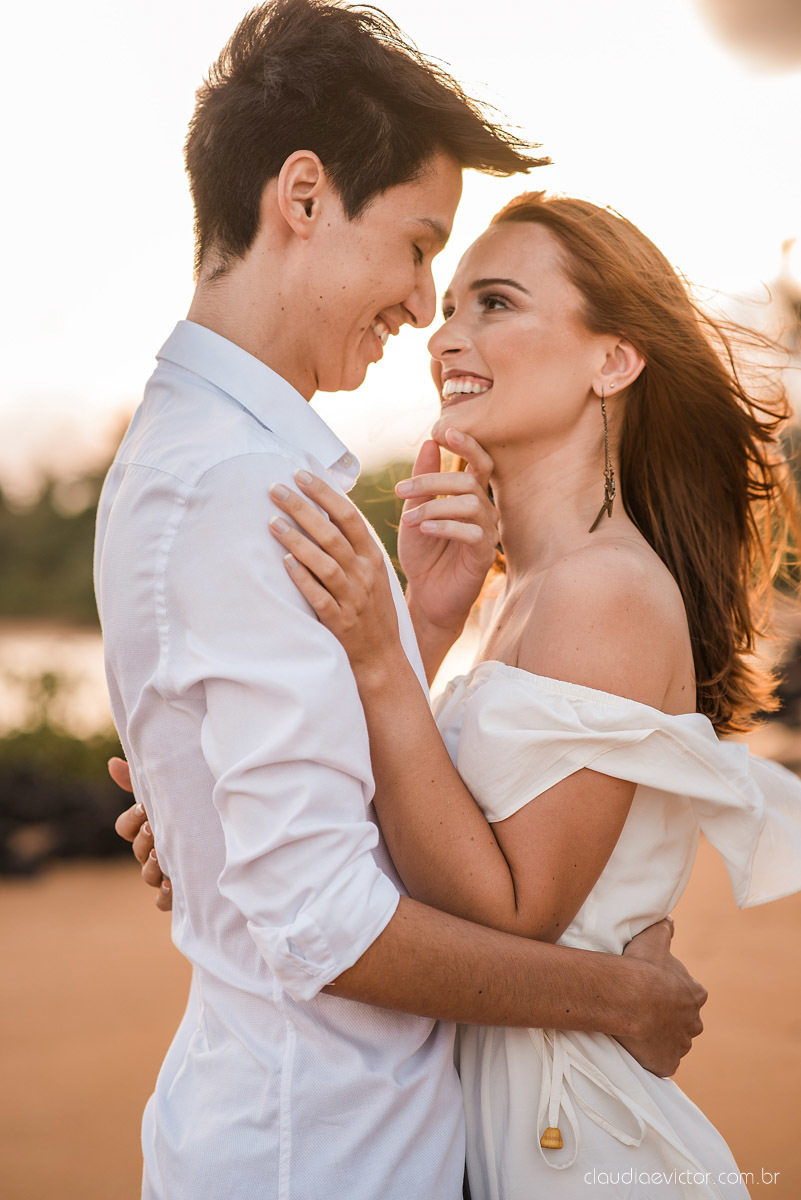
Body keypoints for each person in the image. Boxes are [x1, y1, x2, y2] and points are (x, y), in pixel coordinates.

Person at [98, 3, 707, 1197]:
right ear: (306, 197)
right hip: (319, 1155)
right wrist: (620, 996)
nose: (427, 308)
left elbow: (310, 836)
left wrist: (416, 631)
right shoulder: (240, 487)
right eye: (422, 246)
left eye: (479, 286)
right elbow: (322, 924)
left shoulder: (234, 465)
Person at [263, 191, 801, 1198]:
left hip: (574, 1142)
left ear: (614, 359)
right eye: (451, 305)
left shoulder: (607, 591)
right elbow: (415, 836)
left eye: (495, 303)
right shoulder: (520, 590)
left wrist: (382, 657)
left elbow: (512, 913)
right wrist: (228, 813)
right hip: (498, 1114)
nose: (446, 335)